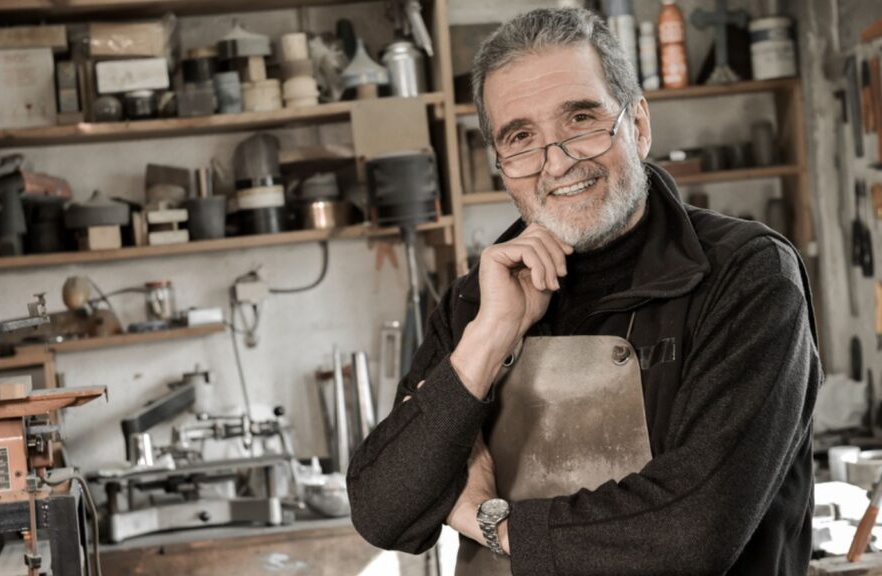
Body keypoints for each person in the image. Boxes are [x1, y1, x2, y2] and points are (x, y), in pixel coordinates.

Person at [347, 7, 820, 575]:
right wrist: (490, 337)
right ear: (502, 165)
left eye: (580, 120)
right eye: (521, 138)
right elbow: (383, 512)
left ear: (638, 126)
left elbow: (691, 531)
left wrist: (486, 521)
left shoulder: (747, 276)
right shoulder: (478, 300)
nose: (557, 161)